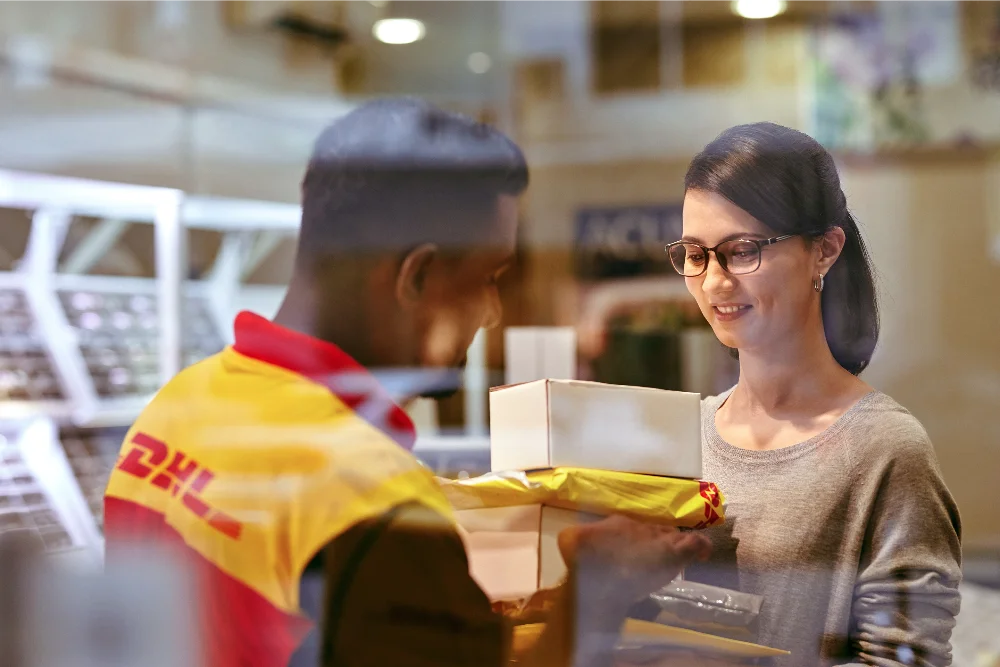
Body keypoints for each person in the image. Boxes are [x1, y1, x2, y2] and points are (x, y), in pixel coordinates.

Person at [103, 97, 711, 667]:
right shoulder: (372, 502)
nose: (492, 312)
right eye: (489, 277)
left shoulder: (178, 405)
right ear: (415, 277)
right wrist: (593, 597)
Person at [660, 122, 962, 666]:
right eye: (696, 254)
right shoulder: (680, 435)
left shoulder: (885, 449)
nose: (714, 282)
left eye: (743, 250)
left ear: (824, 250)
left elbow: (904, 659)